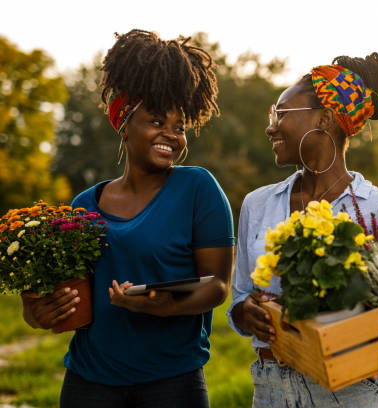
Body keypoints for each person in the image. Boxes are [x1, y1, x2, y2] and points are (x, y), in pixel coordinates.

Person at [19, 29, 234, 408]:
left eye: (179, 126)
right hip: (89, 384)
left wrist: (161, 304)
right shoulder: (84, 204)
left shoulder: (198, 188)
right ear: (124, 123)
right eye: (156, 121)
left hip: (172, 385)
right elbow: (66, 294)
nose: (171, 134)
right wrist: (37, 310)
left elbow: (217, 285)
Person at [228, 53, 378, 407]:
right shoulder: (256, 205)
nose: (270, 126)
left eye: (281, 114)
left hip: (353, 389)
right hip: (272, 388)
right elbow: (241, 296)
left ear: (323, 119)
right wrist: (246, 313)